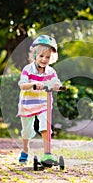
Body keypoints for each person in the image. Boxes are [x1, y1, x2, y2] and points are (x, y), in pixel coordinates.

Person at [17, 35, 61, 164]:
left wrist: (57, 85)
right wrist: (33, 84)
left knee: (45, 125)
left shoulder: (51, 71)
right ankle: (25, 150)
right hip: (28, 104)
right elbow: (22, 85)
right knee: (27, 130)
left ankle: (47, 153)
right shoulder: (27, 69)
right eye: (41, 56)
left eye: (47, 57)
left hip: (43, 103)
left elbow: (55, 82)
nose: (44, 59)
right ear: (34, 55)